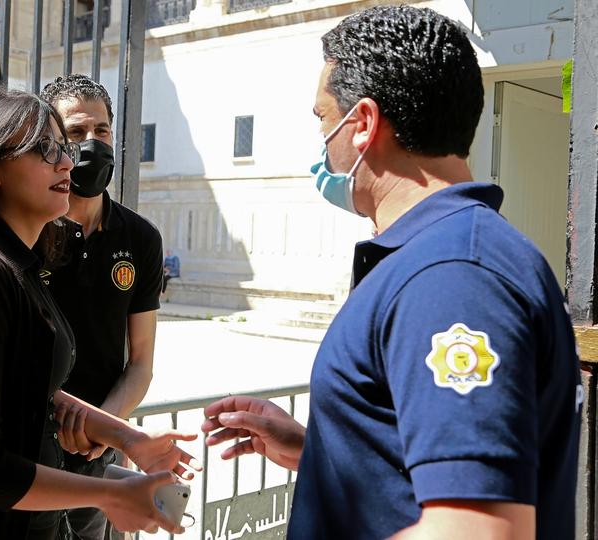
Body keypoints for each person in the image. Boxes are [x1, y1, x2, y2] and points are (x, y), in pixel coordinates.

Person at [202, 6, 581, 539]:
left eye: (322, 119)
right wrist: (326, 453)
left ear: (362, 124)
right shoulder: (444, 255)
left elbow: (477, 529)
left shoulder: (452, 275)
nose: (323, 141)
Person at [0, 87, 199, 540]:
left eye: (66, 148)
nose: (68, 162)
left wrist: (125, 438)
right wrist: (109, 495)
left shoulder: (16, 264)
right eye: (47, 148)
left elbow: (29, 384)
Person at [39, 75, 164, 540]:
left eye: (102, 131)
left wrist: (103, 429)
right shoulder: (30, 230)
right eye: (75, 133)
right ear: (51, 141)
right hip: (28, 442)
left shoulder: (140, 238)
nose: (92, 144)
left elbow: (143, 360)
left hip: (97, 450)